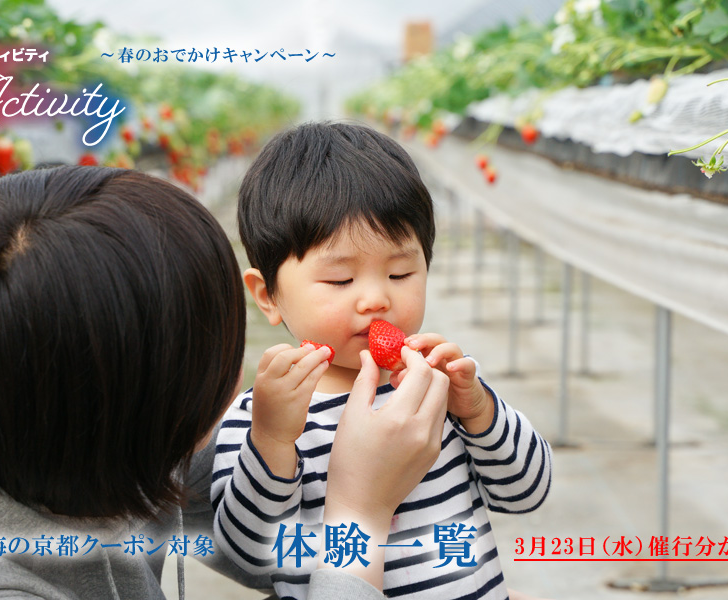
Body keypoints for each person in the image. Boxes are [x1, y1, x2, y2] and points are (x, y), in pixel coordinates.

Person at [0, 165, 449, 599]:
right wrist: (359, 512)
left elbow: (255, 543)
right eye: (209, 372)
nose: (232, 387)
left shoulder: (1, 364)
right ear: (129, 427)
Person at [212, 122, 553, 600]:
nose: (376, 299)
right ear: (268, 296)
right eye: (339, 280)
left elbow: (527, 491)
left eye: (400, 272)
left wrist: (480, 413)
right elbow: (249, 551)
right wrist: (271, 442)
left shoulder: (437, 385)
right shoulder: (264, 417)